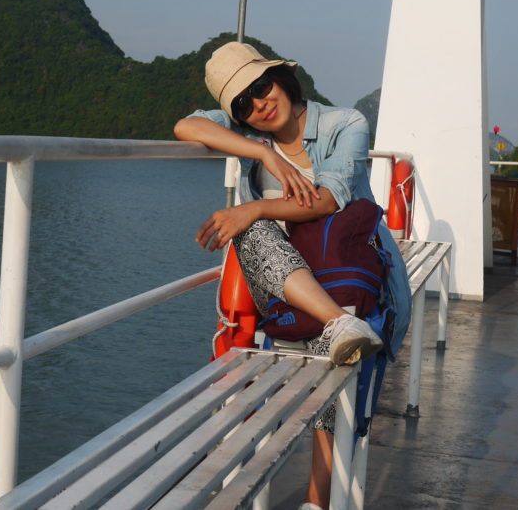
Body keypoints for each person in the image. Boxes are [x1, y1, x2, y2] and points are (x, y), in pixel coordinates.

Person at [174, 41, 411, 510]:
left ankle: (316, 498)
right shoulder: (250, 134)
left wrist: (254, 207)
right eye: (243, 103)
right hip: (286, 287)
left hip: (349, 276)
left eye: (261, 86)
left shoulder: (345, 123)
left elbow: (328, 199)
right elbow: (187, 126)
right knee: (254, 233)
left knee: (332, 347)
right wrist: (265, 156)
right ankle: (337, 323)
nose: (258, 104)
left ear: (281, 78)